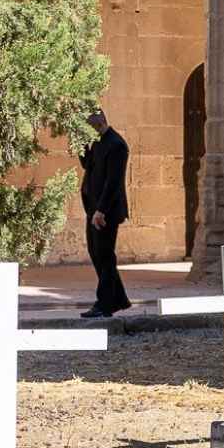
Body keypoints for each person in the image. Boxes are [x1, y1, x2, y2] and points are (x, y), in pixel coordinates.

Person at [79, 108, 131, 319]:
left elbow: (113, 182)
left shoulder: (117, 145)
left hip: (105, 211)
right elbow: (87, 164)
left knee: (104, 255)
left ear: (99, 124)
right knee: (96, 253)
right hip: (93, 208)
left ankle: (104, 304)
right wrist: (80, 143)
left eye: (89, 129)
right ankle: (118, 299)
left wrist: (101, 210)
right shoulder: (99, 141)